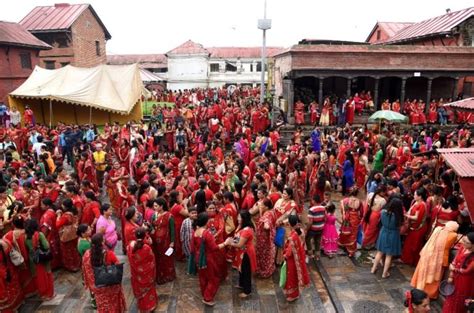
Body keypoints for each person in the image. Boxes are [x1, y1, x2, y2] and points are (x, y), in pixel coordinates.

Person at [411, 221, 459, 299]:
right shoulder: (454, 235)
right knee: (435, 277)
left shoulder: (438, 229)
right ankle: (430, 294)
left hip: (428, 253)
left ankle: (419, 288)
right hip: (440, 257)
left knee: (424, 272)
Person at [82, 233, 126, 313]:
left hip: (97, 287)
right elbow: (117, 267)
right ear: (102, 242)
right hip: (110, 286)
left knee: (102, 306)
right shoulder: (109, 254)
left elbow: (86, 270)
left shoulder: (86, 255)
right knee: (113, 306)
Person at [192, 212, 227, 306]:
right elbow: (214, 248)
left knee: (203, 277)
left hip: (198, 258)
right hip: (208, 259)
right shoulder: (206, 234)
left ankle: (204, 292)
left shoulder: (195, 232)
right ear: (206, 222)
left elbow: (193, 247)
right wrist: (225, 243)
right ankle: (207, 297)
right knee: (213, 278)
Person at [226, 211, 257, 298]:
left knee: (246, 271)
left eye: (240, 217)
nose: (238, 219)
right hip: (240, 252)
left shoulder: (247, 230)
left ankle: (247, 290)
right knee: (241, 269)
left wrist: (229, 242)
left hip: (245, 253)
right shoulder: (241, 226)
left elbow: (240, 244)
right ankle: (242, 284)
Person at [371, 197, 403, 278]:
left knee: (379, 252)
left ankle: (373, 268)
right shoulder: (398, 217)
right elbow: (400, 226)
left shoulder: (383, 212)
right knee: (389, 255)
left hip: (383, 232)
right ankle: (384, 273)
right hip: (393, 235)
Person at [127, 227, 158, 312]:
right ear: (145, 236)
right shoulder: (147, 248)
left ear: (135, 236)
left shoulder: (130, 247)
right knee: (149, 291)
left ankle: (143, 307)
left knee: (141, 292)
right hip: (148, 275)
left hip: (137, 276)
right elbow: (152, 260)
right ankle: (151, 305)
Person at [442, 232, 474, 313]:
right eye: (464, 240)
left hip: (465, 281)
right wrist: (451, 275)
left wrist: (454, 269)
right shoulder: (463, 247)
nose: (463, 243)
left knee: (459, 300)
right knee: (451, 297)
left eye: (467, 242)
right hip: (456, 276)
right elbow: (455, 260)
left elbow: (467, 271)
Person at [25, 219, 55, 300]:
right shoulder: (39, 234)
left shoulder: (26, 237)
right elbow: (46, 246)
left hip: (33, 259)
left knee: (38, 277)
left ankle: (42, 294)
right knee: (47, 274)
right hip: (42, 258)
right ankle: (49, 294)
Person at [282, 214, 310, 302]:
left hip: (292, 260)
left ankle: (293, 295)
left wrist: (285, 255)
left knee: (292, 276)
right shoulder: (300, 231)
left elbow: (290, 251)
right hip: (298, 256)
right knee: (294, 276)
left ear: (290, 224)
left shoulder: (293, 236)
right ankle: (293, 293)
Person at [401, 188, 429, 266]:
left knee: (415, 245)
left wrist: (406, 216)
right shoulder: (416, 202)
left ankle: (412, 261)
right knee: (409, 243)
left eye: (415, 195)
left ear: (420, 196)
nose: (414, 196)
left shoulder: (422, 205)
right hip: (413, 227)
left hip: (418, 228)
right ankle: (407, 259)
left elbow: (417, 218)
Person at [151, 198, 176, 284]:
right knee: (158, 258)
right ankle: (159, 275)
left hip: (166, 242)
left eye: (156, 206)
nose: (154, 207)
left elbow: (172, 230)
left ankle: (167, 275)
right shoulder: (154, 215)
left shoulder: (169, 216)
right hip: (155, 241)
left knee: (166, 258)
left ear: (161, 206)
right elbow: (152, 225)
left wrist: (172, 242)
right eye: (154, 206)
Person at [56, 199, 81, 272]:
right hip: (74, 232)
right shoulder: (74, 211)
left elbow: (58, 224)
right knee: (74, 249)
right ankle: (77, 264)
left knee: (67, 251)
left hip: (67, 235)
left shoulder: (66, 216)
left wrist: (58, 215)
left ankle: (71, 266)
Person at [337, 188, 363, 257]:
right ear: (357, 193)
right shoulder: (359, 202)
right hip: (355, 219)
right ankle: (351, 251)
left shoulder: (345, 200)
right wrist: (359, 219)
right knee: (353, 235)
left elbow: (342, 209)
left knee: (345, 232)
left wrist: (344, 216)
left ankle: (343, 244)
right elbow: (361, 213)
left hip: (347, 218)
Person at [255, 198, 276, 278]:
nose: (260, 205)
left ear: (266, 207)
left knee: (264, 255)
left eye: (262, 205)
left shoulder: (267, 215)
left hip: (265, 239)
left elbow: (266, 226)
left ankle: (265, 271)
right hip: (266, 239)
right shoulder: (271, 211)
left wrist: (266, 224)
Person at [306, 195, 326, 261]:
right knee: (317, 242)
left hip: (313, 229)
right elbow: (325, 218)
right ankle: (317, 256)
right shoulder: (323, 208)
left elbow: (310, 222)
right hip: (320, 228)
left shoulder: (311, 209)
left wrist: (306, 229)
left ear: (314, 201)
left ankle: (310, 254)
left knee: (308, 240)